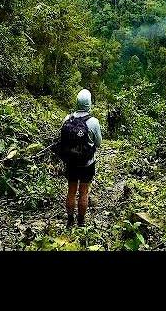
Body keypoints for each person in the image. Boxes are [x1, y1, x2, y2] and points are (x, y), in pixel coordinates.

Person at [60, 88, 102, 227]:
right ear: (89, 104)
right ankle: (81, 222)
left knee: (71, 191)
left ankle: (70, 220)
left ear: (77, 102)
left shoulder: (67, 118)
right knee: (84, 192)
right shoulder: (93, 122)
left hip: (71, 163)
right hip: (87, 163)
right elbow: (98, 143)